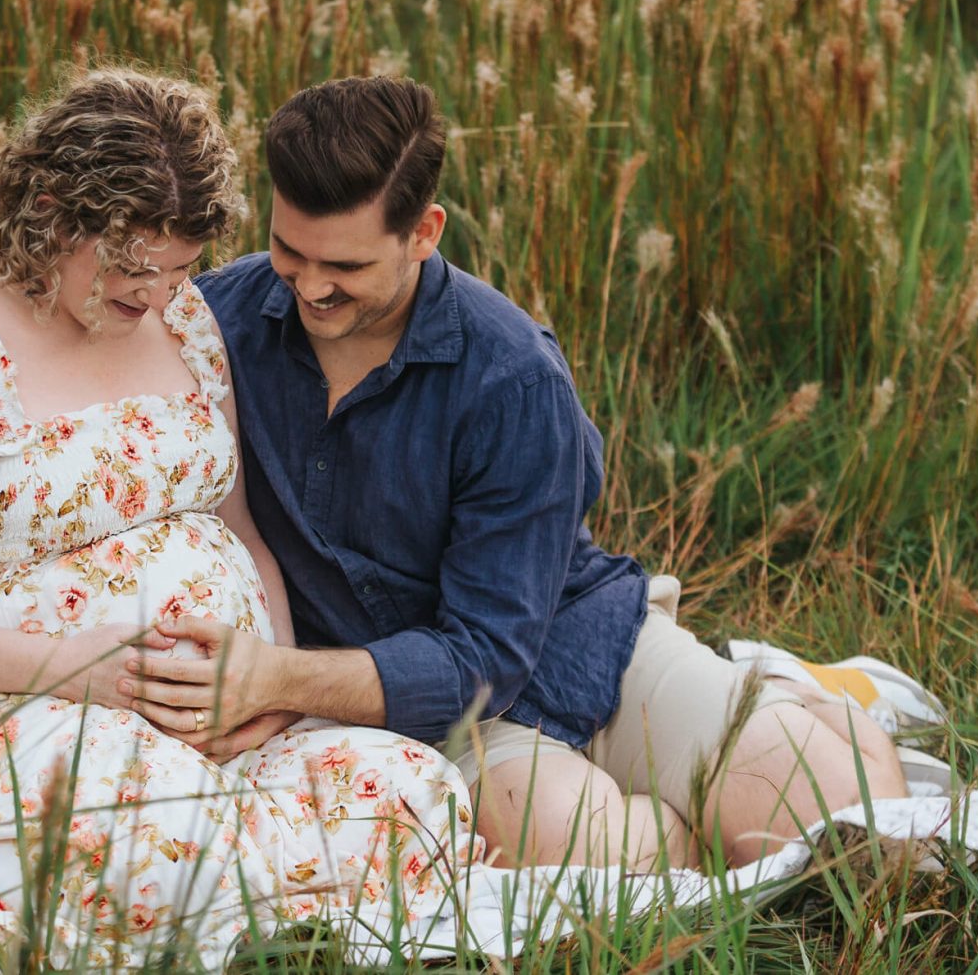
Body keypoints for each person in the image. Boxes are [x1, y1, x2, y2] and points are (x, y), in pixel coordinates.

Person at [0, 69, 482, 971]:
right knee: (157, 837)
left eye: (180, 270)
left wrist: (269, 685)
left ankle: (251, 919)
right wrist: (79, 671)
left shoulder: (187, 324)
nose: (156, 297)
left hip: (219, 722)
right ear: (49, 212)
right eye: (131, 269)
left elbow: (237, 526)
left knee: (414, 793)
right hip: (9, 712)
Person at [128, 76, 910, 871]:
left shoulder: (513, 375)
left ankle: (804, 712)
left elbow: (488, 652)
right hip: (416, 710)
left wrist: (276, 679)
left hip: (569, 638)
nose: (312, 286)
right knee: (574, 847)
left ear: (424, 232)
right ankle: (692, 820)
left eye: (346, 265)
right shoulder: (215, 323)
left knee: (827, 819)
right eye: (290, 251)